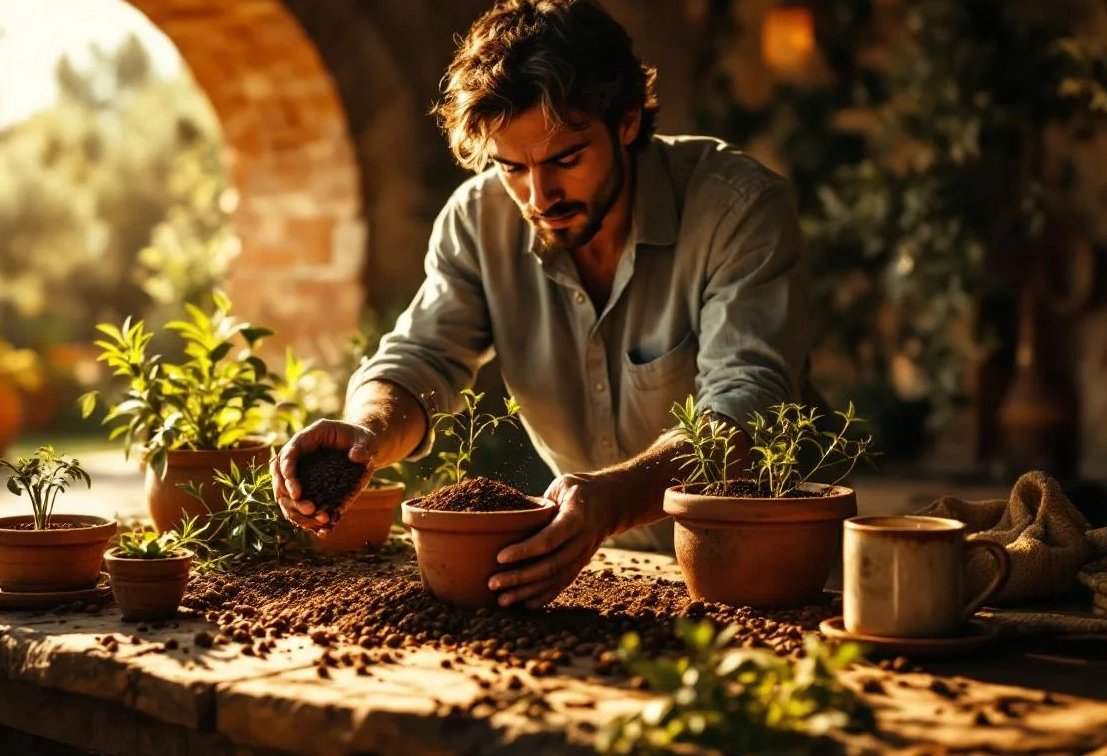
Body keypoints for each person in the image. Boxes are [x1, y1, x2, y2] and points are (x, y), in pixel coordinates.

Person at [271, 0, 810, 609]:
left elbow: (748, 406)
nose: (539, 194)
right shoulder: (478, 222)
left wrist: (608, 503)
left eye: (566, 159)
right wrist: (364, 433)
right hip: (597, 575)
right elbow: (421, 357)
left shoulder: (738, 209)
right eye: (511, 167)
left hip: (750, 574)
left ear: (627, 121)